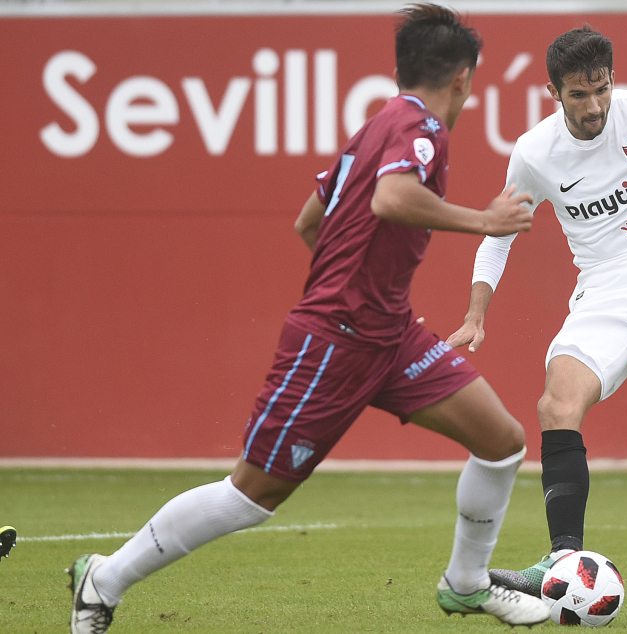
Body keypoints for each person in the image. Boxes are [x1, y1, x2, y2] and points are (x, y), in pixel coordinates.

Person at [66, 5, 550, 633]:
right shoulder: (421, 126)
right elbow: (391, 197)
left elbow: (310, 223)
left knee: (501, 441)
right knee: (251, 494)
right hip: (337, 341)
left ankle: (465, 584)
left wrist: (362, 284)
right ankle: (102, 580)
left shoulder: (376, 124)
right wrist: (485, 221)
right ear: (464, 78)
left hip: (389, 334)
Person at [447, 26, 627, 626]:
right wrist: (476, 313)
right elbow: (500, 234)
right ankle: (562, 561)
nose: (596, 105)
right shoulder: (534, 152)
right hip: (601, 288)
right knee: (556, 405)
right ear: (553, 91)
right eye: (579, 94)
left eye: (602, 89)